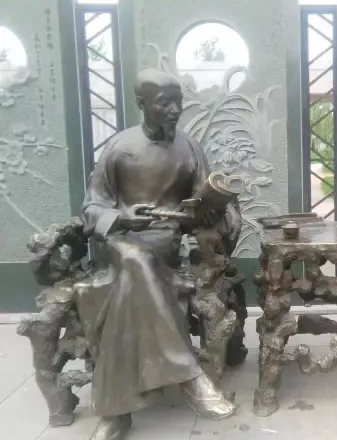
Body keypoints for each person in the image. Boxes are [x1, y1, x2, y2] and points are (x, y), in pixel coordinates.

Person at [77, 69, 240, 440]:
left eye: (177, 101)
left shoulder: (190, 148)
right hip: (121, 242)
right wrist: (121, 217)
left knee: (130, 285)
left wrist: (216, 205)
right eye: (164, 103)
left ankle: (115, 412)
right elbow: (92, 208)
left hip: (165, 244)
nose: (174, 110)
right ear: (142, 104)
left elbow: (203, 200)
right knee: (134, 260)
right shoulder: (119, 148)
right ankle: (191, 378)